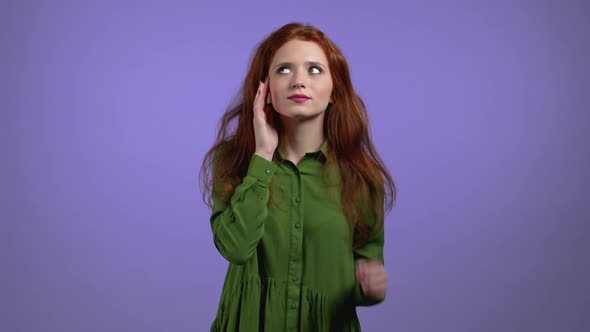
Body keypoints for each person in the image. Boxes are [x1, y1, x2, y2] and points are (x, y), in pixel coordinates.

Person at [200, 22, 396, 331]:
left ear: (334, 91)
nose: (298, 81)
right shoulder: (234, 161)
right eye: (284, 70)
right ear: (264, 88)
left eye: (315, 70)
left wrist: (373, 286)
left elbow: (365, 270)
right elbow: (234, 248)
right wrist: (263, 155)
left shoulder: (361, 177)